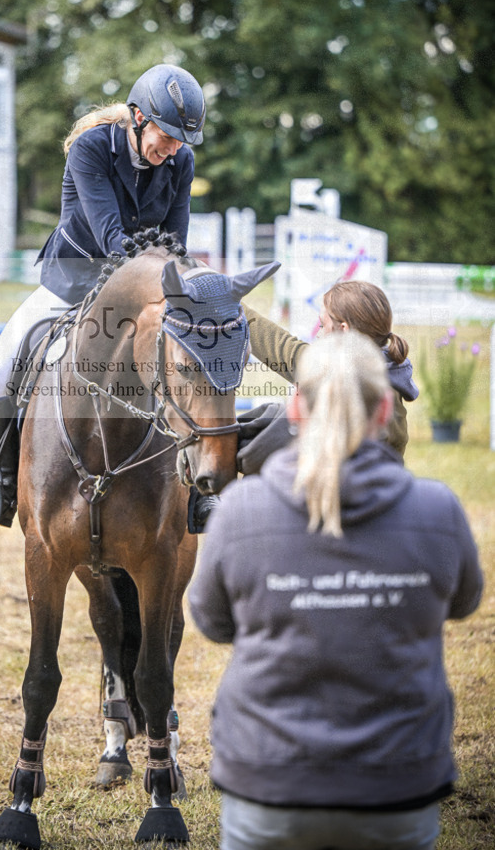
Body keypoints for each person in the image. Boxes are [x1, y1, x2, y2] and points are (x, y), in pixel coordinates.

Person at [188, 331, 483, 850]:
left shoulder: (241, 510)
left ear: (294, 408)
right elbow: (464, 602)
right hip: (396, 788)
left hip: (269, 785)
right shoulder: (437, 510)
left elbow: (212, 622)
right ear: (385, 408)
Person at [0, 63, 206, 525]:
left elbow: (175, 239)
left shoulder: (181, 162)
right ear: (139, 117)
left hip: (142, 288)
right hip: (73, 281)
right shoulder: (91, 148)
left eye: (181, 141)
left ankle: (193, 493)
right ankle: (5, 488)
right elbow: (110, 234)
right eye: (168, 136)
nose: (173, 148)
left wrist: (177, 284)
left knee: (189, 363)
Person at [237, 279, 419, 475]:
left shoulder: (342, 375)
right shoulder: (383, 373)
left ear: (343, 330)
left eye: (322, 325)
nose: (318, 334)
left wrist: (229, 306)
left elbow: (280, 348)